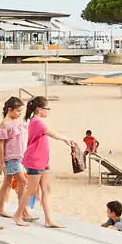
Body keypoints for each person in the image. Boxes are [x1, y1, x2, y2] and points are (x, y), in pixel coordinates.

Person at [22, 96, 73, 229]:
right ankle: (18, 214)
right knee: (31, 190)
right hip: (35, 160)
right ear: (39, 109)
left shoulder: (37, 121)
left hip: (43, 160)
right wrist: (65, 139)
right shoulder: (37, 122)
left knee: (46, 189)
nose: (48, 111)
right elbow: (53, 134)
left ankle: (48, 219)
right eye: (47, 108)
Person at [0, 96, 27, 222]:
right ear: (10, 109)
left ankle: (0, 208)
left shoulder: (16, 122)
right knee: (23, 182)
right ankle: (23, 210)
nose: (19, 114)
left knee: (7, 182)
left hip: (18, 156)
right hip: (11, 157)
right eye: (18, 111)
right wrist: (2, 162)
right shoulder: (5, 124)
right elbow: (1, 144)